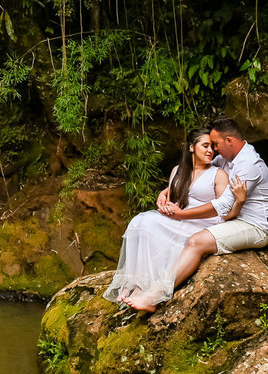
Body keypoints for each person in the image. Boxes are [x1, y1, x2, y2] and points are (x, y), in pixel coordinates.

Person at [150, 116, 268, 310]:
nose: (214, 149)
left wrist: (181, 214)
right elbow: (198, 173)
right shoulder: (226, 158)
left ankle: (156, 295)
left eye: (216, 144)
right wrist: (166, 192)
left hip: (256, 226)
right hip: (234, 218)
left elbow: (223, 205)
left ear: (229, 141)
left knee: (196, 241)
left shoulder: (248, 165)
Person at [102, 128, 239, 311]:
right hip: (180, 218)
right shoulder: (177, 170)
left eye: (212, 147)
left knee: (149, 223)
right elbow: (175, 200)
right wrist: (165, 203)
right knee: (139, 222)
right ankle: (134, 283)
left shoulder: (218, 174)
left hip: (203, 222)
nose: (210, 151)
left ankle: (144, 288)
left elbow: (224, 210)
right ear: (191, 147)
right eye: (205, 146)